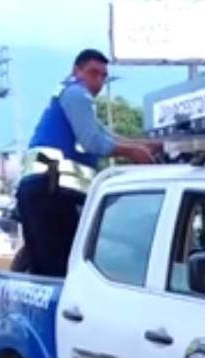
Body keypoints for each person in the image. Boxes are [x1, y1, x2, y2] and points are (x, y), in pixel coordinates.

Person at [16, 48, 156, 277]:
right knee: (61, 267)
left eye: (103, 76)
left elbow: (107, 135)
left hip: (44, 193)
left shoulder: (71, 96)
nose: (99, 81)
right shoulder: (77, 94)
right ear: (76, 71)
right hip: (50, 193)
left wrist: (145, 146)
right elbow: (93, 141)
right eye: (93, 73)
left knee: (47, 266)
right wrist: (133, 152)